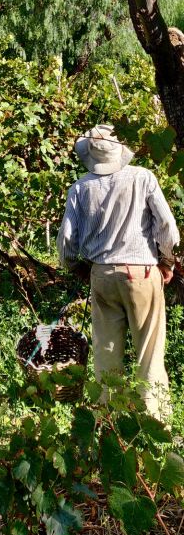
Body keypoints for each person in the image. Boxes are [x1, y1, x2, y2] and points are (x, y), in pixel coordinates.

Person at [57, 124, 180, 419]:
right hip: (143, 274)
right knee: (148, 353)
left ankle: (106, 421)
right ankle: (153, 423)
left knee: (105, 353)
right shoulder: (142, 178)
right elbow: (168, 229)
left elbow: (65, 244)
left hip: (101, 274)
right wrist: (167, 262)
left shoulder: (80, 188)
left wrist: (79, 269)